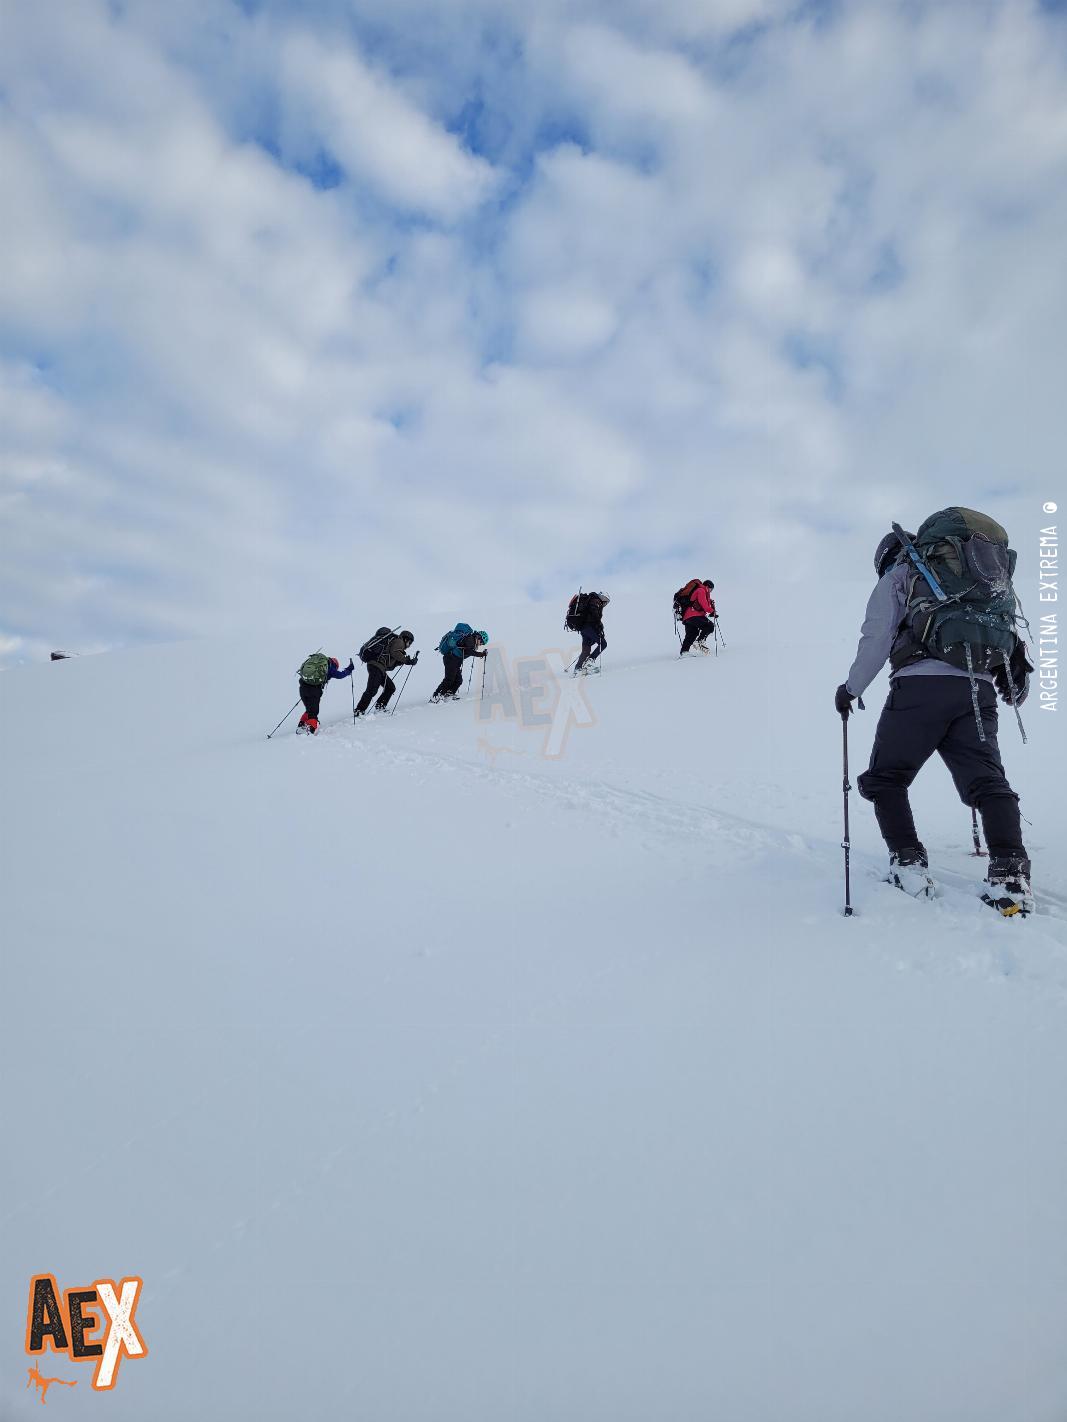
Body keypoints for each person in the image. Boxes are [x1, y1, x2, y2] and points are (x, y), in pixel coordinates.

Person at [836, 511, 1033, 914]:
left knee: (887, 777)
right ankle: (1010, 875)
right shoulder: (978, 580)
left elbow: (877, 636)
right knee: (987, 782)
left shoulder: (902, 574)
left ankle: (908, 864)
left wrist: (850, 690)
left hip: (919, 689)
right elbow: (1003, 630)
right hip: (976, 691)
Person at [354, 630, 418, 716]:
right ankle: (359, 711)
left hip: (379, 668)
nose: (409, 645)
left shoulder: (395, 643)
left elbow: (390, 662)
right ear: (405, 639)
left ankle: (380, 707)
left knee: (390, 688)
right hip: (376, 666)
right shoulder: (399, 641)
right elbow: (394, 652)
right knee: (371, 690)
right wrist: (407, 660)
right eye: (409, 642)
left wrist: (404, 661)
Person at [296, 653, 354, 734]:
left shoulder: (317, 663)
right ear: (335, 664)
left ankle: (301, 725)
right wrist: (349, 670)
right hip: (315, 690)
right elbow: (340, 675)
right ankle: (310, 730)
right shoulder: (330, 668)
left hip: (302, 688)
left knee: (309, 708)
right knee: (314, 712)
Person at [432, 625, 488, 702]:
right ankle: (436, 696)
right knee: (449, 679)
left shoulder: (470, 640)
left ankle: (449, 694)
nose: (480, 644)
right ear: (478, 637)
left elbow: (465, 650)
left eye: (482, 643)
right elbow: (468, 651)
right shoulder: (470, 639)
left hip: (454, 660)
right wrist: (480, 654)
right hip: (451, 658)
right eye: (481, 641)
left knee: (458, 680)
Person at [566, 591, 609, 673]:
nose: (605, 602)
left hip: (583, 628)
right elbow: (594, 615)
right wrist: (599, 627)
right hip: (589, 627)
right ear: (602, 597)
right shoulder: (596, 601)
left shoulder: (590, 599)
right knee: (603, 643)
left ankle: (577, 669)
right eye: (606, 600)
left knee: (586, 650)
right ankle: (589, 663)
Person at [679, 580, 717, 655]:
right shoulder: (701, 590)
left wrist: (710, 610)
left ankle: (684, 652)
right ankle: (700, 641)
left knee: (692, 634)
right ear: (707, 586)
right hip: (694, 615)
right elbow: (704, 605)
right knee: (710, 626)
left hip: (687, 617)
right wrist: (712, 611)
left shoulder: (699, 591)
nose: (711, 591)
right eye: (711, 589)